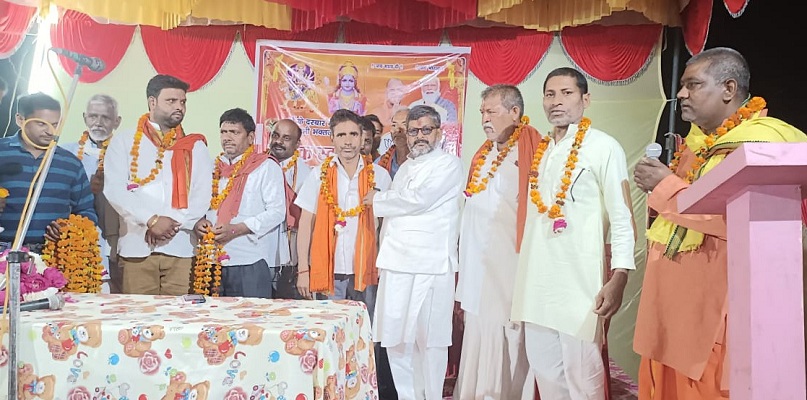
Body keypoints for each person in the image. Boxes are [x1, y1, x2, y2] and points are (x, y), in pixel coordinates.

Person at [633, 47, 807, 400]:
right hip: (669, 312)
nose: (681, 94)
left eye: (693, 84)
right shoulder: (697, 144)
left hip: (712, 317)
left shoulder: (764, 143)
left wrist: (665, 186)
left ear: (729, 89)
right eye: (682, 85)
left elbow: (734, 218)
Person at [511, 67, 636, 400]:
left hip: (580, 285)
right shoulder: (543, 151)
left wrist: (620, 275)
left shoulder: (604, 147)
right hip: (537, 283)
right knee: (546, 372)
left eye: (566, 93)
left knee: (584, 379)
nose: (557, 101)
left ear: (586, 99)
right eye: (550, 94)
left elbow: (622, 215)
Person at [364, 105, 464, 400]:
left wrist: (379, 199)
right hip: (396, 263)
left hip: (430, 265)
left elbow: (419, 200)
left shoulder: (448, 164)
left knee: (429, 340)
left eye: (426, 130)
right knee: (395, 338)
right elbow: (400, 212)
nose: (419, 136)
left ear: (439, 133)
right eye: (413, 131)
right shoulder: (406, 167)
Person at [454, 84, 540, 400]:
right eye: (482, 112)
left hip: (509, 261)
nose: (484, 119)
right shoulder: (484, 153)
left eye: (491, 111)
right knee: (479, 327)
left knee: (508, 332)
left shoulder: (533, 149)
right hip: (478, 261)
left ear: (515, 112)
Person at [104, 74, 213, 296]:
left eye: (182, 102)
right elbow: (115, 189)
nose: (179, 107)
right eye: (171, 101)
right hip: (137, 247)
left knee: (179, 315)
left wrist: (169, 225)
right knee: (138, 315)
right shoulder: (124, 141)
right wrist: (151, 220)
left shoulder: (195, 146)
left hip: (181, 248)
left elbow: (202, 194)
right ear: (152, 102)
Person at [294, 109, 392, 303]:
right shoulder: (318, 175)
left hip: (368, 268)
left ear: (362, 138)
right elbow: (305, 223)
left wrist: (386, 265)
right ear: (332, 138)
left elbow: (388, 226)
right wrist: (303, 269)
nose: (347, 141)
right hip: (329, 268)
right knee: (330, 322)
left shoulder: (380, 176)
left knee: (366, 321)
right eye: (341, 135)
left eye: (353, 134)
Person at [194, 108, 286, 298]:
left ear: (251, 137)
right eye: (223, 132)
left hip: (248, 260)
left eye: (234, 132)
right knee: (212, 316)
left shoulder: (265, 166)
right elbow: (200, 204)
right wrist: (198, 221)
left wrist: (237, 229)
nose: (227, 138)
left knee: (251, 316)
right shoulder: (213, 167)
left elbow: (277, 212)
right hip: (211, 262)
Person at [0, 93, 98, 253]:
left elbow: (87, 210)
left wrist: (70, 228)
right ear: (20, 120)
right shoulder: (2, 152)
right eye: (41, 124)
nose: (50, 131)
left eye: (55, 124)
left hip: (52, 255)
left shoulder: (70, 163)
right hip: (4, 252)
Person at [60, 94, 122, 293]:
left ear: (117, 122)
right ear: (85, 117)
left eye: (105, 117)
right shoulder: (65, 153)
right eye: (93, 116)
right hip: (76, 241)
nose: (98, 123)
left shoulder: (127, 154)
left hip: (116, 239)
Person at [269, 118, 312, 299]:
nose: (278, 141)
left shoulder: (307, 174)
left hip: (290, 259)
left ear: (298, 144)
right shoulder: (257, 167)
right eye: (275, 135)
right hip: (262, 258)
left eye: (286, 138)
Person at [375, 108, 410, 179]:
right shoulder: (380, 162)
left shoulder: (422, 161)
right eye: (394, 125)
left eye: (404, 124)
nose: (398, 129)